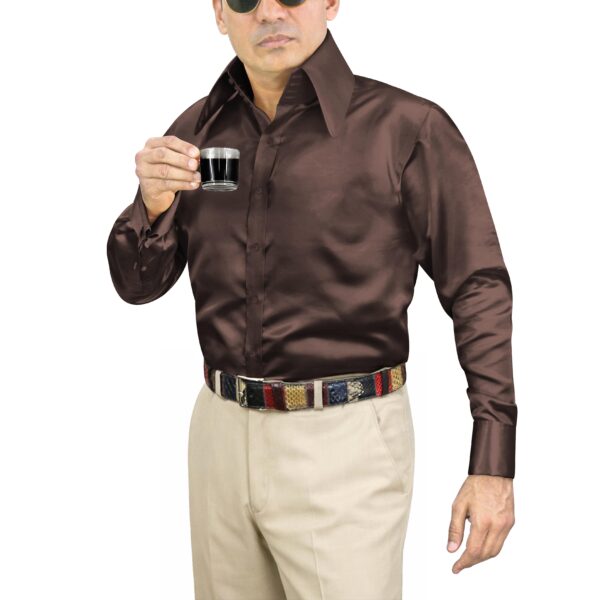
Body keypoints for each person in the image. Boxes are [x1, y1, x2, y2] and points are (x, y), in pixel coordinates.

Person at [106, 0, 517, 598]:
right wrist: (151, 207)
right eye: (245, 0)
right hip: (219, 435)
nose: (269, 12)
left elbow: (477, 286)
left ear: (330, 2)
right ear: (220, 13)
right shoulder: (196, 132)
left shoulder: (406, 128)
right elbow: (137, 286)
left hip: (345, 442)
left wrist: (492, 461)